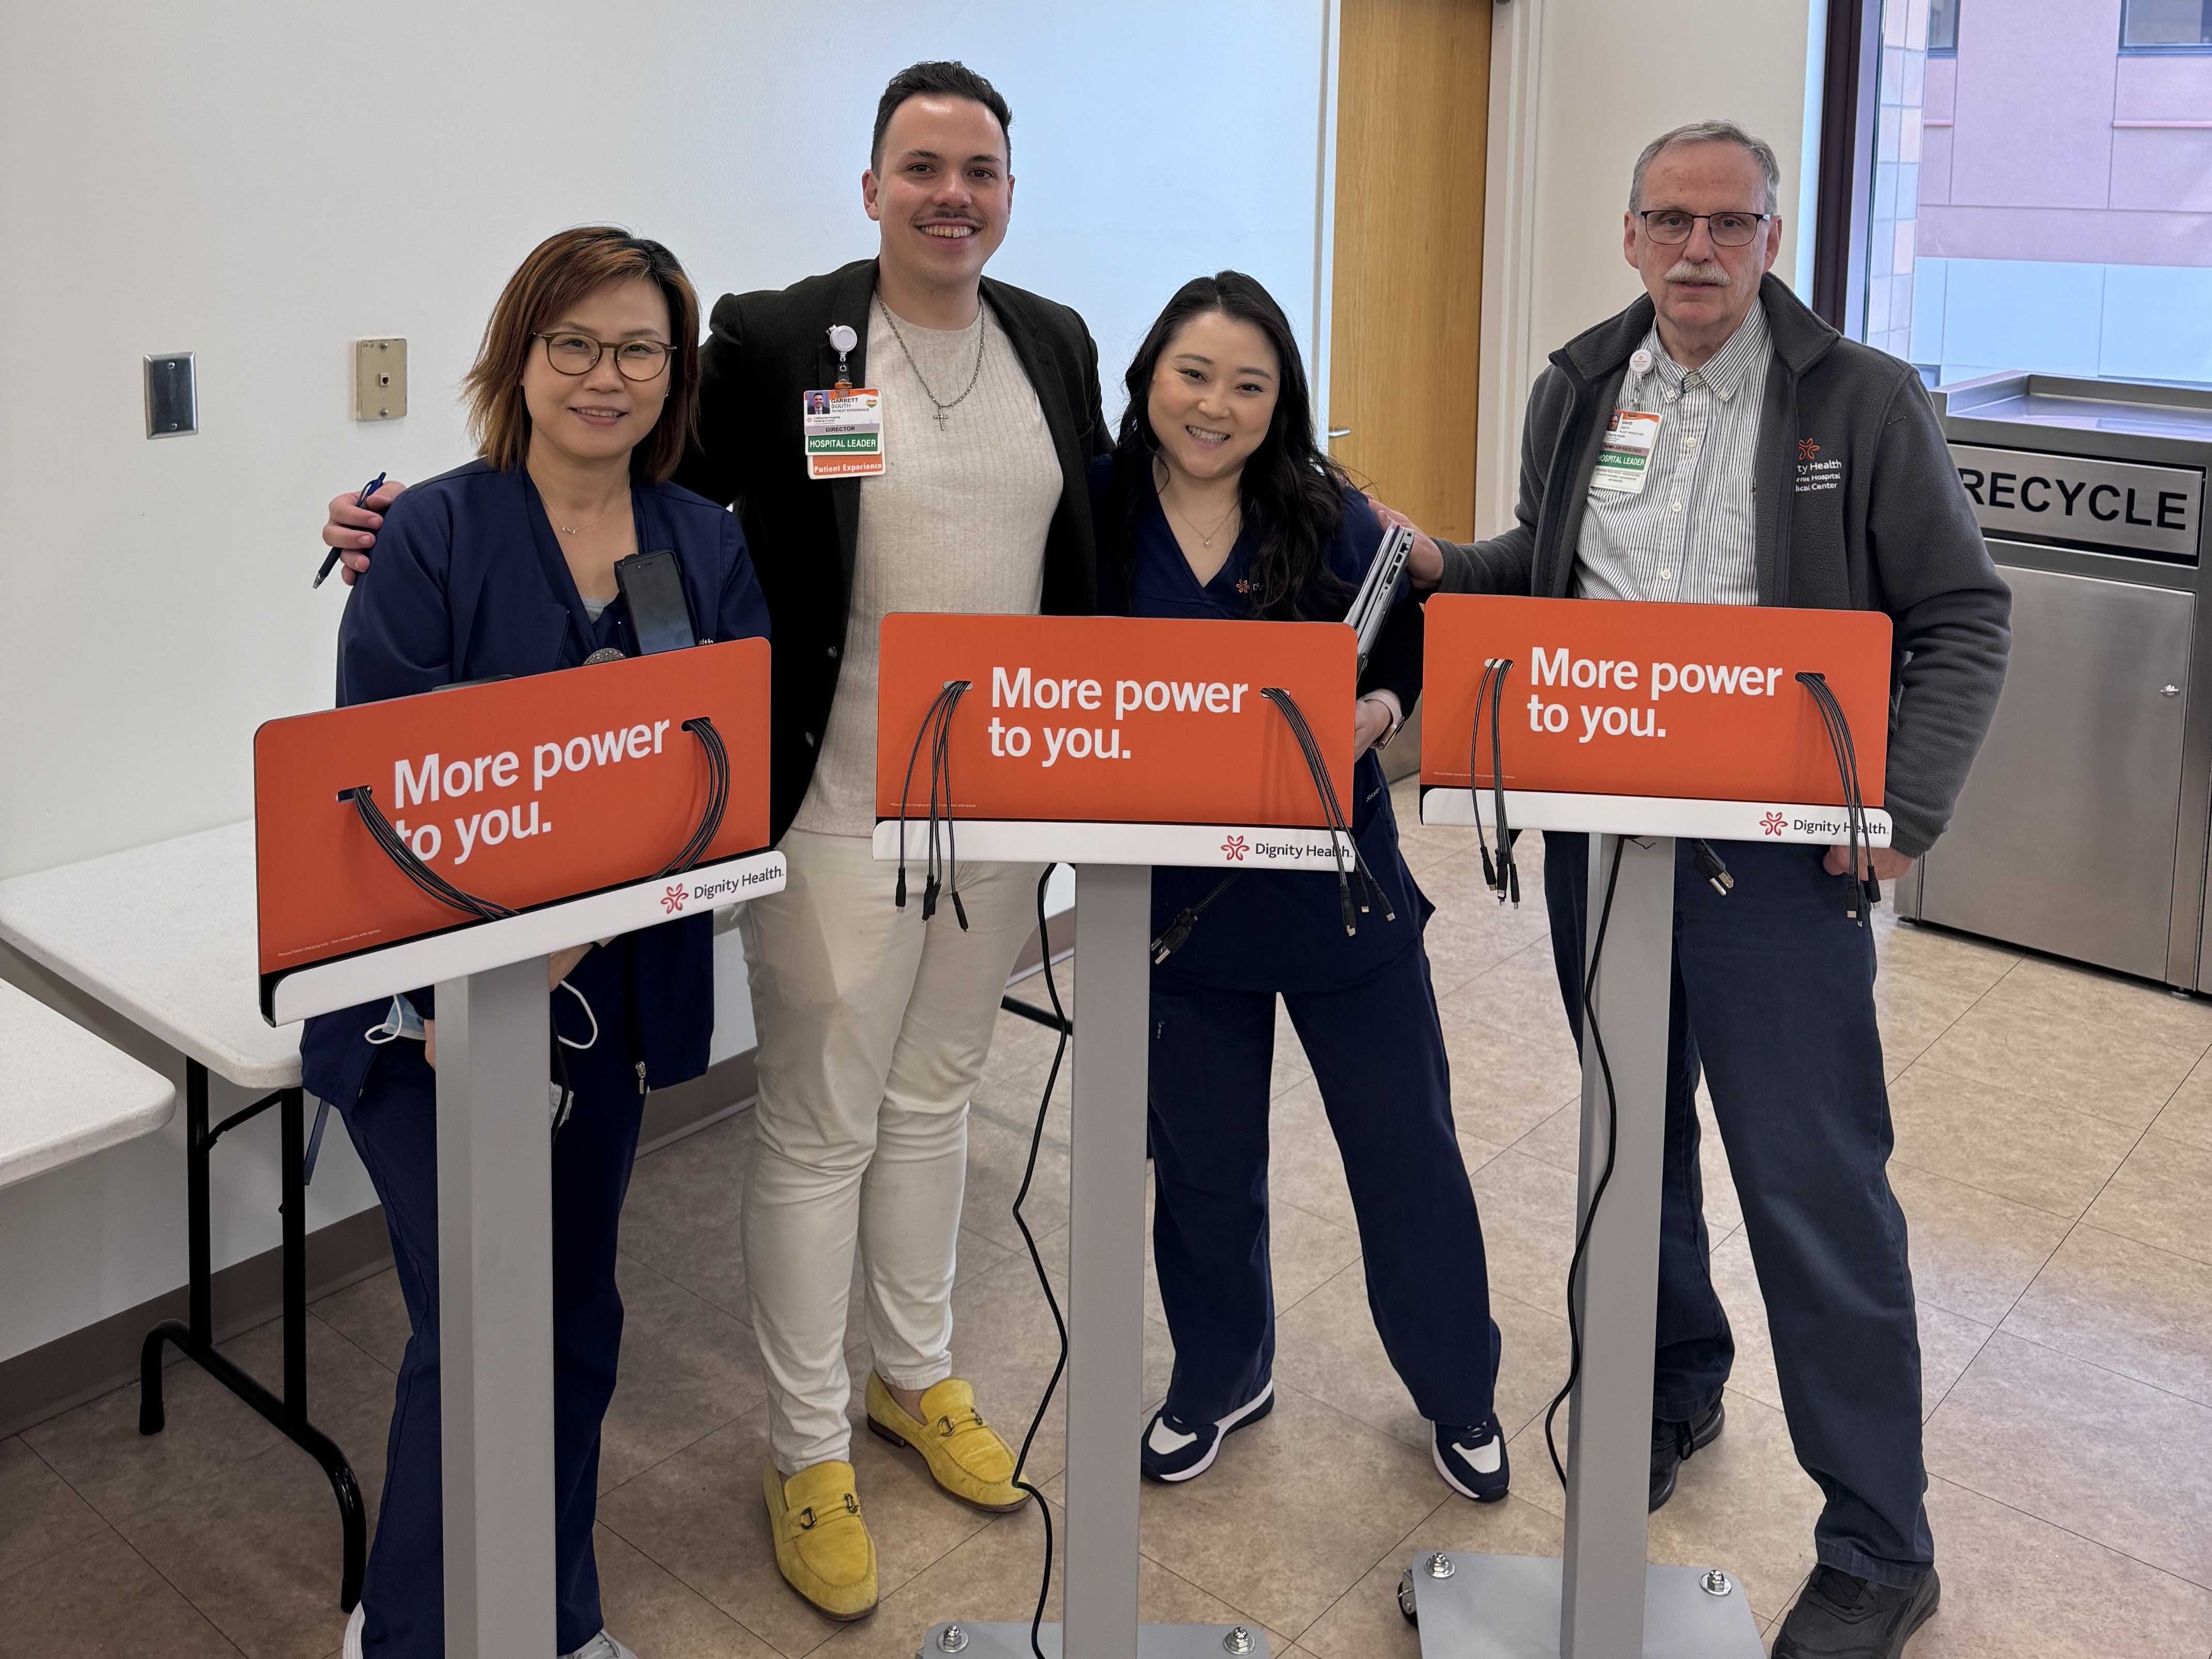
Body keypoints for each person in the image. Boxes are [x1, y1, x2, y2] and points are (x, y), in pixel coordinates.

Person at [321, 62, 1107, 1622]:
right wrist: (417, 516)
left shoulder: (1055, 342)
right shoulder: (777, 333)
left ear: (1009, 188)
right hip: (831, 802)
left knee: (938, 1094)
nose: (952, 192)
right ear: (869, 183)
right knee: (817, 1126)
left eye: (981, 168)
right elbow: (626, 460)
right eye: (921, 164)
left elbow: (1113, 516)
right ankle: (806, 1447)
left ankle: (916, 1369)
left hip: (1000, 805)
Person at [1378, 121, 2011, 1659]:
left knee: (1812, 1187)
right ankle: (1666, 1382)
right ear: (1628, 232)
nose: (1698, 247)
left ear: (1771, 240)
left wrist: (1903, 804)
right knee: (1628, 1143)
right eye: (1670, 217)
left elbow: (1962, 609)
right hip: (1607, 831)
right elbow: (1564, 566)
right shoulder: (1583, 383)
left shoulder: (1857, 402)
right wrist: (1447, 564)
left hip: (1778, 857)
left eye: (1729, 222)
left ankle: (1878, 1538)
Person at [301, 227, 771, 1659]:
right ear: (518, 356)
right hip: (428, 1024)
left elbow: (716, 790)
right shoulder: (431, 532)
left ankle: (556, 1620)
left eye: (638, 347)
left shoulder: (705, 543)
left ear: (673, 372)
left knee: (571, 1318)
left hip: (599, 1014)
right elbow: (391, 795)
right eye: (572, 342)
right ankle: (410, 1631)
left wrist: (571, 950)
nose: (604, 375)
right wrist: (526, 951)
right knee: (478, 1327)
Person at [1094, 272, 1508, 1500]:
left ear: (1282, 403)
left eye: (1249, 385)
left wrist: (1381, 708)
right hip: (1177, 905)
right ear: (1150, 377)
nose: (1215, 405)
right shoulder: (1099, 510)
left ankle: (1458, 1391)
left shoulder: (1331, 514)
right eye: (1193, 375)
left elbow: (1423, 625)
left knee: (1405, 1152)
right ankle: (1222, 1371)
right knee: (1206, 1164)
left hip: (1341, 899)